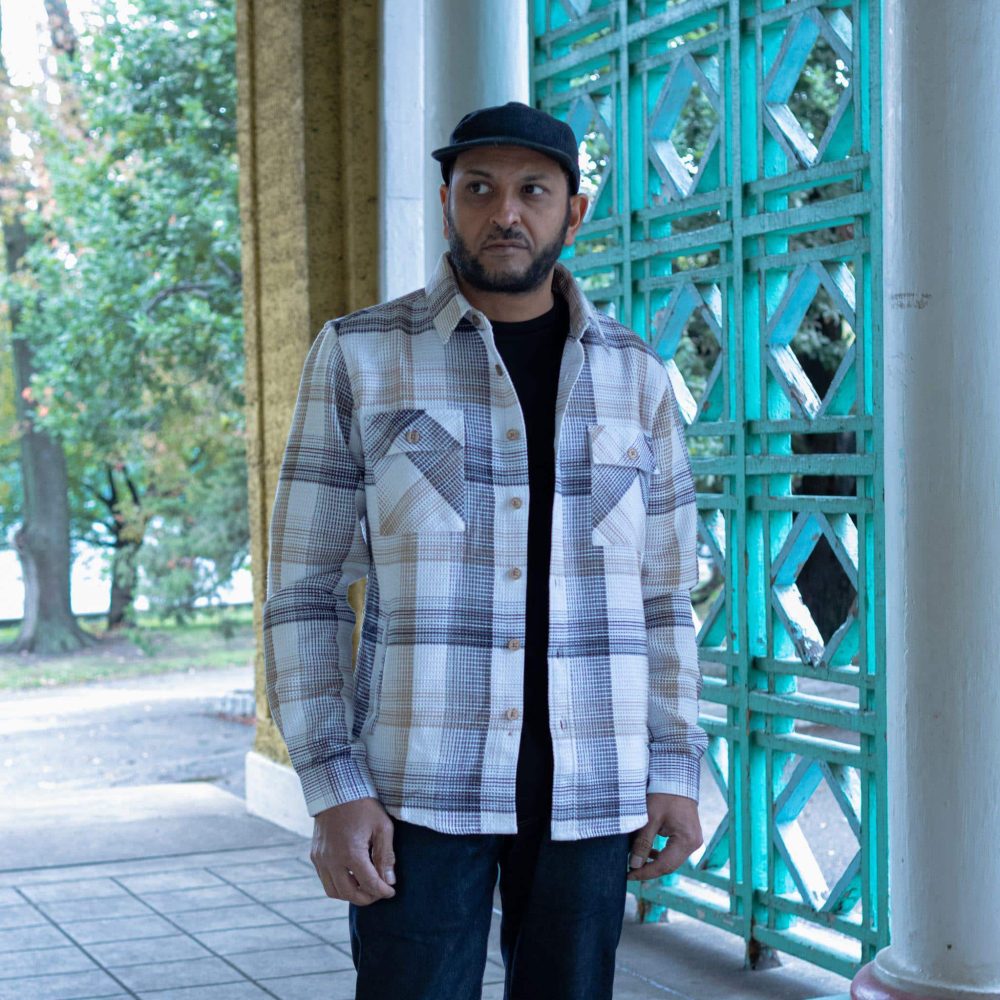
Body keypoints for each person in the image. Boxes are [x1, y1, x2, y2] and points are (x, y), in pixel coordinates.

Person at [263, 101, 706, 1000]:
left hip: (591, 789)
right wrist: (332, 785)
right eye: (479, 189)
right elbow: (304, 590)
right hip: (418, 789)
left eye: (533, 191)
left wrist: (676, 767)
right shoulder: (359, 356)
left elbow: (663, 597)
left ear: (573, 213)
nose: (505, 213)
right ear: (446, 203)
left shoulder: (636, 377)